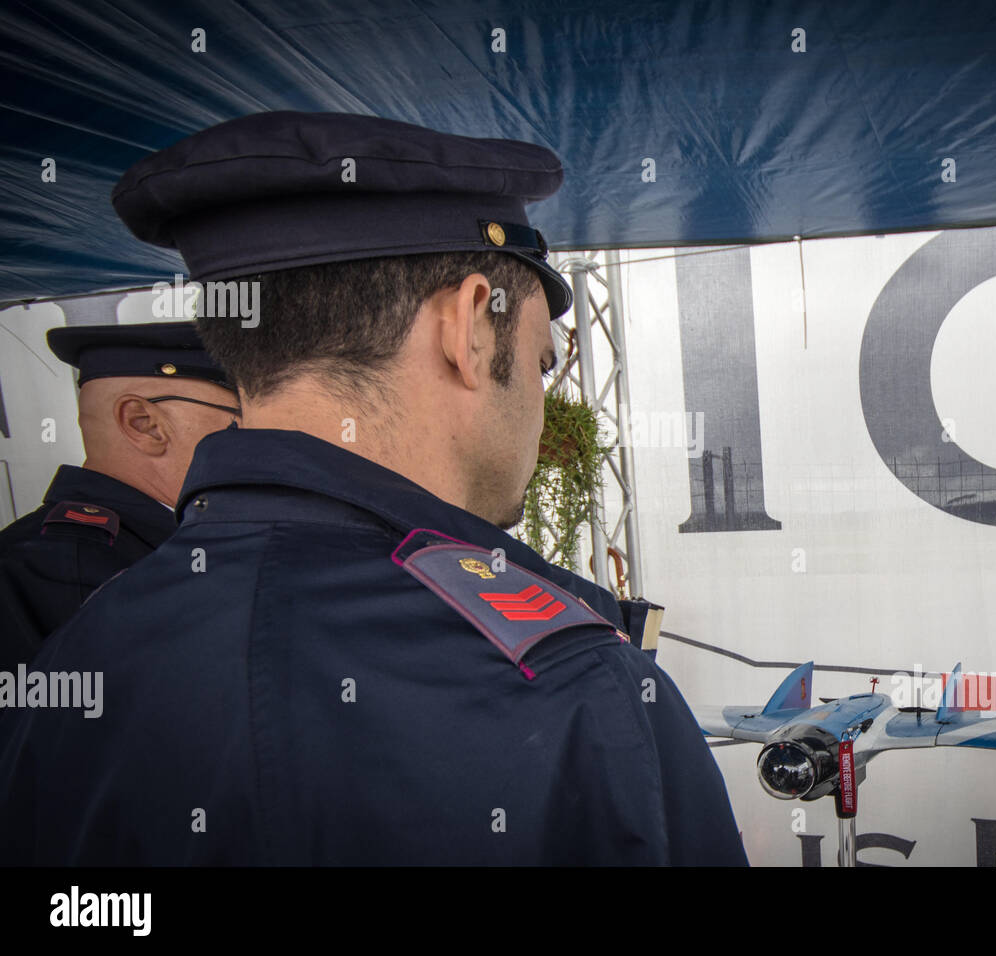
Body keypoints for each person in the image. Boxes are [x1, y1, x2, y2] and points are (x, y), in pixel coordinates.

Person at [0, 111, 747, 865]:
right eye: (543, 363)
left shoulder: (77, 663)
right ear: (470, 329)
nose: (540, 403)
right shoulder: (578, 685)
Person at [0, 322, 238, 669]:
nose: (262, 440)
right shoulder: (60, 575)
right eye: (241, 419)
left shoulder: (162, 545)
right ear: (143, 423)